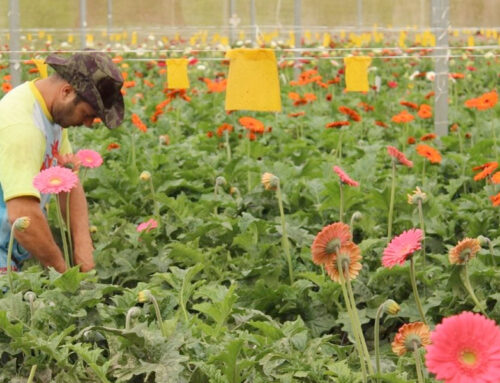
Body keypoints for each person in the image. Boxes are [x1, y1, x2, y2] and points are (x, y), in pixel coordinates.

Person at [0, 52, 124, 273]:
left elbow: (68, 180)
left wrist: (83, 246)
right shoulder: (24, 127)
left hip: (16, 243)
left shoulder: (51, 111)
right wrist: (64, 274)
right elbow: (22, 215)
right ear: (67, 91)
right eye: (88, 114)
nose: (88, 124)